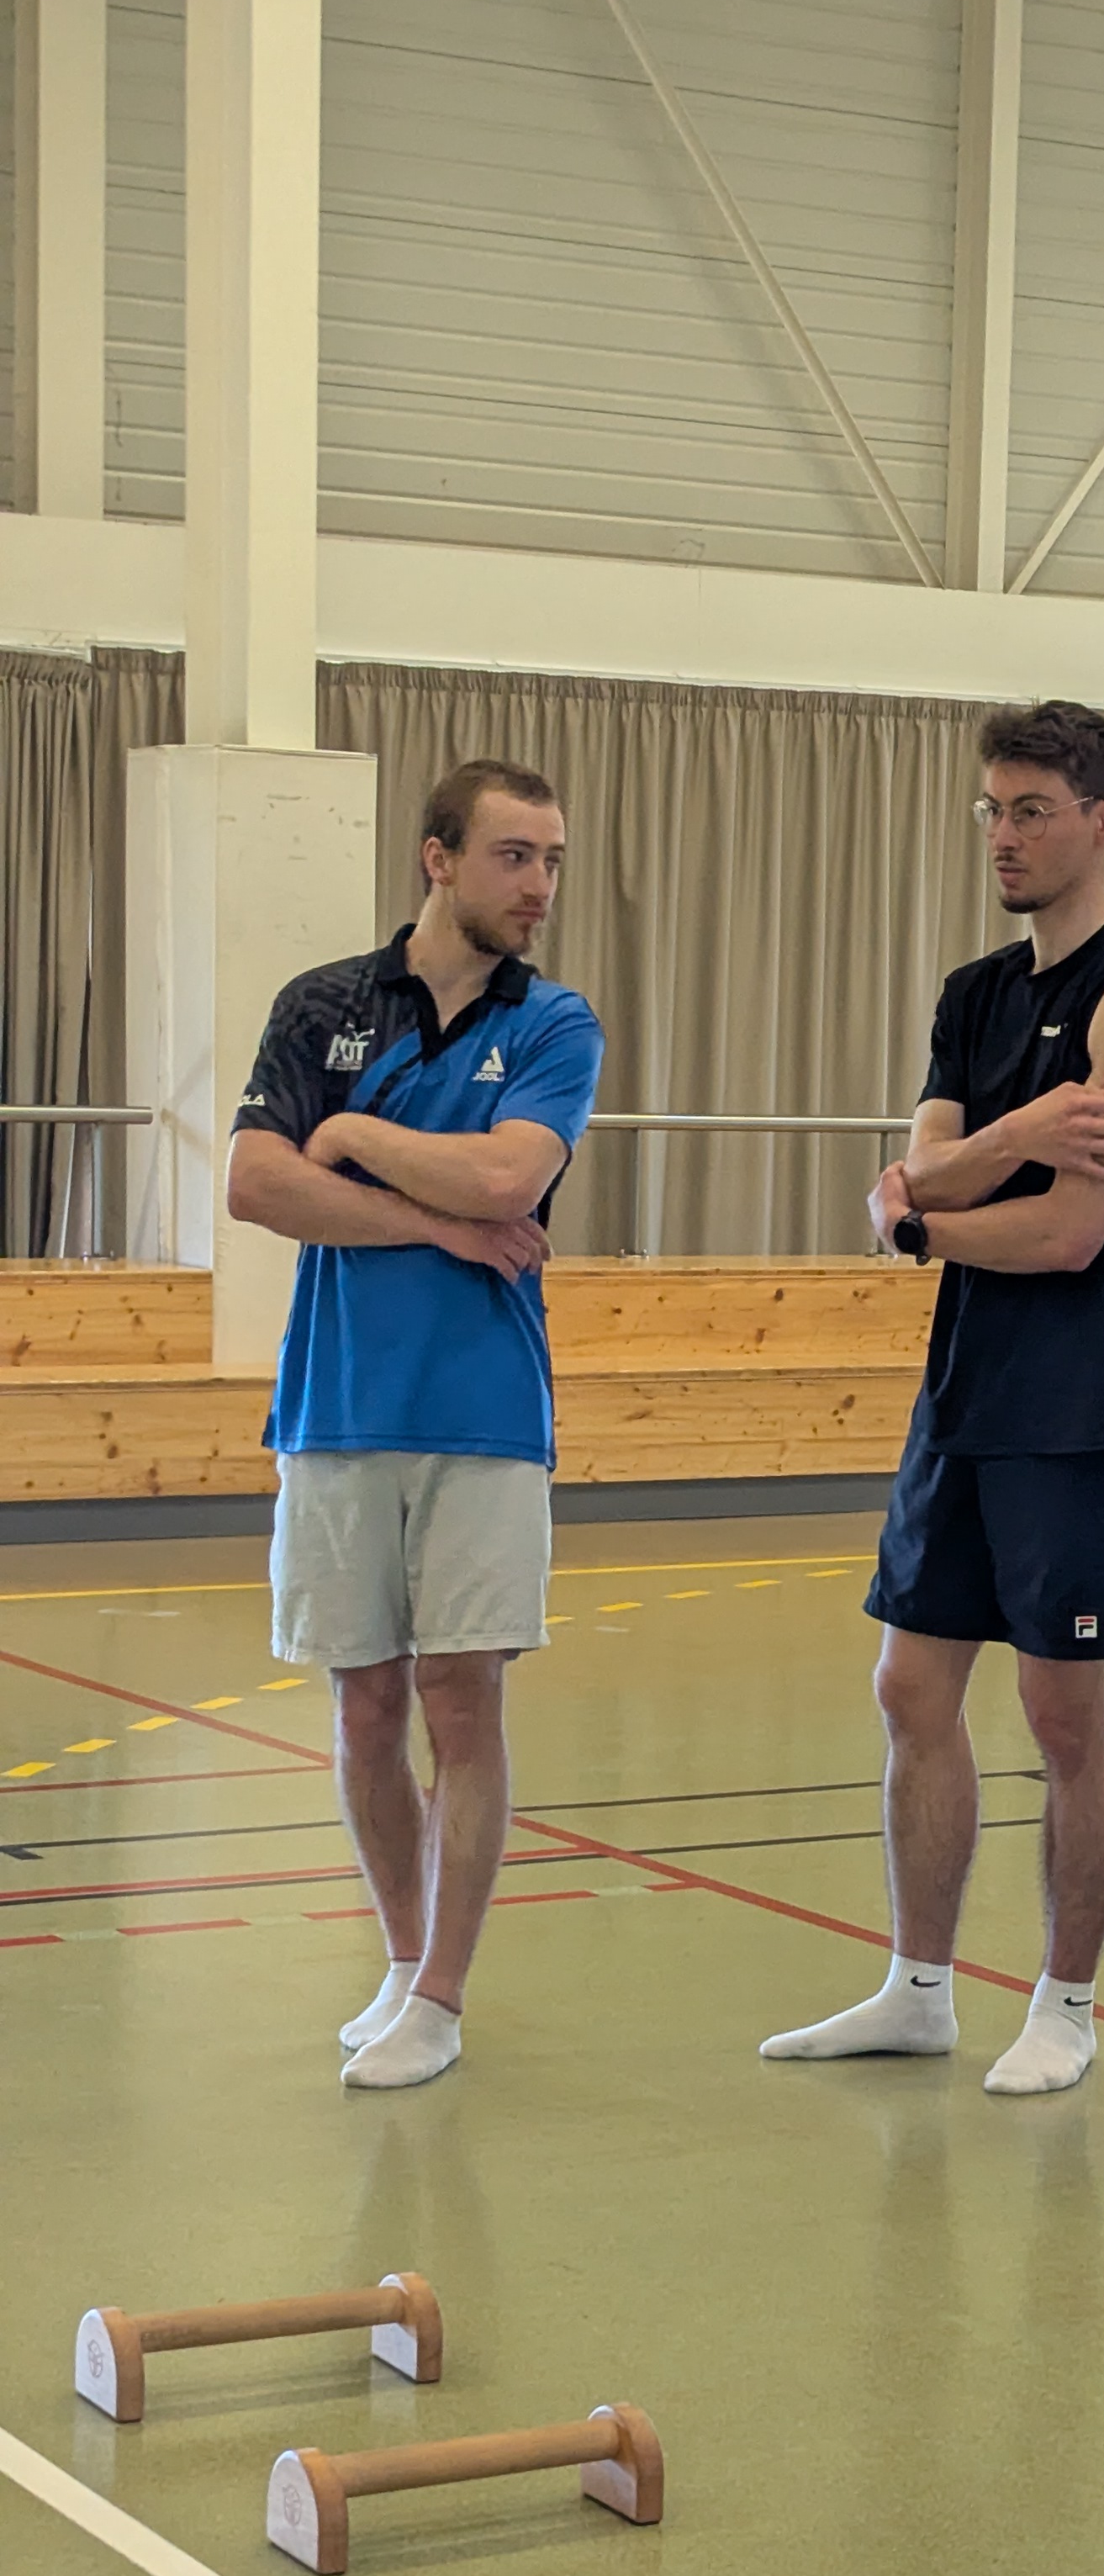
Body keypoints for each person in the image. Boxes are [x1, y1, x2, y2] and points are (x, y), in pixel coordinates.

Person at [762, 697, 1104, 2097]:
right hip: (964, 1390)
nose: (1005, 836)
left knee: (1063, 1714)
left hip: (1079, 1402)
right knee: (911, 1686)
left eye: (1031, 810)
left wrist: (925, 1212)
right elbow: (917, 1177)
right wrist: (1010, 1137)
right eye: (993, 810)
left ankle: (1067, 2003)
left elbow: (1065, 1235)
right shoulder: (976, 996)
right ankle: (919, 1986)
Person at [226, 759, 604, 2090]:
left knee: (465, 1698)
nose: (540, 885)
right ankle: (399, 1963)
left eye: (552, 859)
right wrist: (445, 1218)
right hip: (334, 1403)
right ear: (438, 858)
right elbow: (259, 1185)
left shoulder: (558, 1025)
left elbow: (514, 1171)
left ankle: (443, 1996)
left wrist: (350, 1140)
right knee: (366, 1702)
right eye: (515, 856)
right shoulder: (322, 1003)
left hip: (485, 1413)